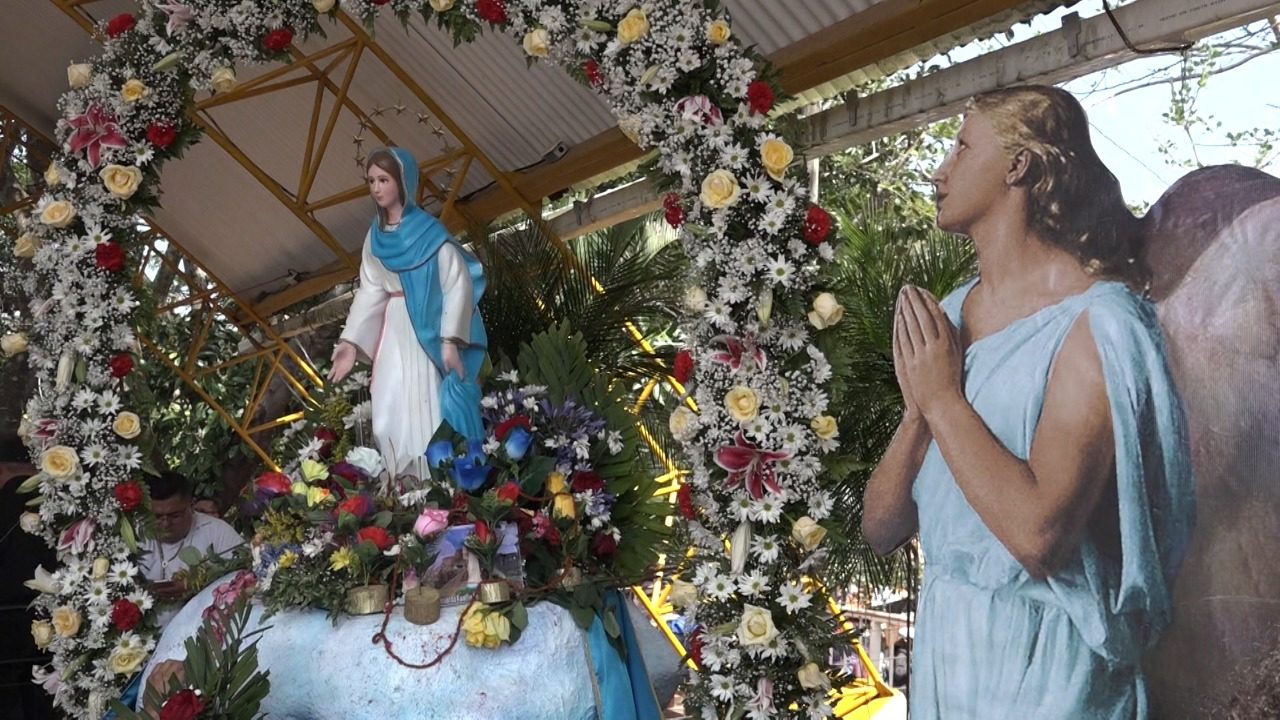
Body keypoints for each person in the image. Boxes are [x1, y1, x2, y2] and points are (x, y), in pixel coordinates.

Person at [861, 85, 1194, 719]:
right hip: (948, 655)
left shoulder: (1100, 322)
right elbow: (882, 529)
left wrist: (942, 398)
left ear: (1018, 166)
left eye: (961, 149)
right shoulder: (953, 313)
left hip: (1045, 667)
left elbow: (1041, 539)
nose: (940, 171)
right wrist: (917, 413)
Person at [328, 147, 488, 481]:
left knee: (426, 400)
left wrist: (449, 341)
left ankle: (435, 480)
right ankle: (400, 481)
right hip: (393, 328)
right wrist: (351, 342)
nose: (376, 187)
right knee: (387, 401)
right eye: (371, 180)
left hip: (426, 331)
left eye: (383, 179)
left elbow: (457, 283)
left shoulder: (429, 232)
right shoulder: (374, 237)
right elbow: (370, 290)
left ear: (403, 181)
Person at [139, 472, 242, 627]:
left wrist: (197, 584)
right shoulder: (134, 534)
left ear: (191, 505)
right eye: (157, 517)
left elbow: (245, 577)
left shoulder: (217, 531)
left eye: (174, 516)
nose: (165, 524)